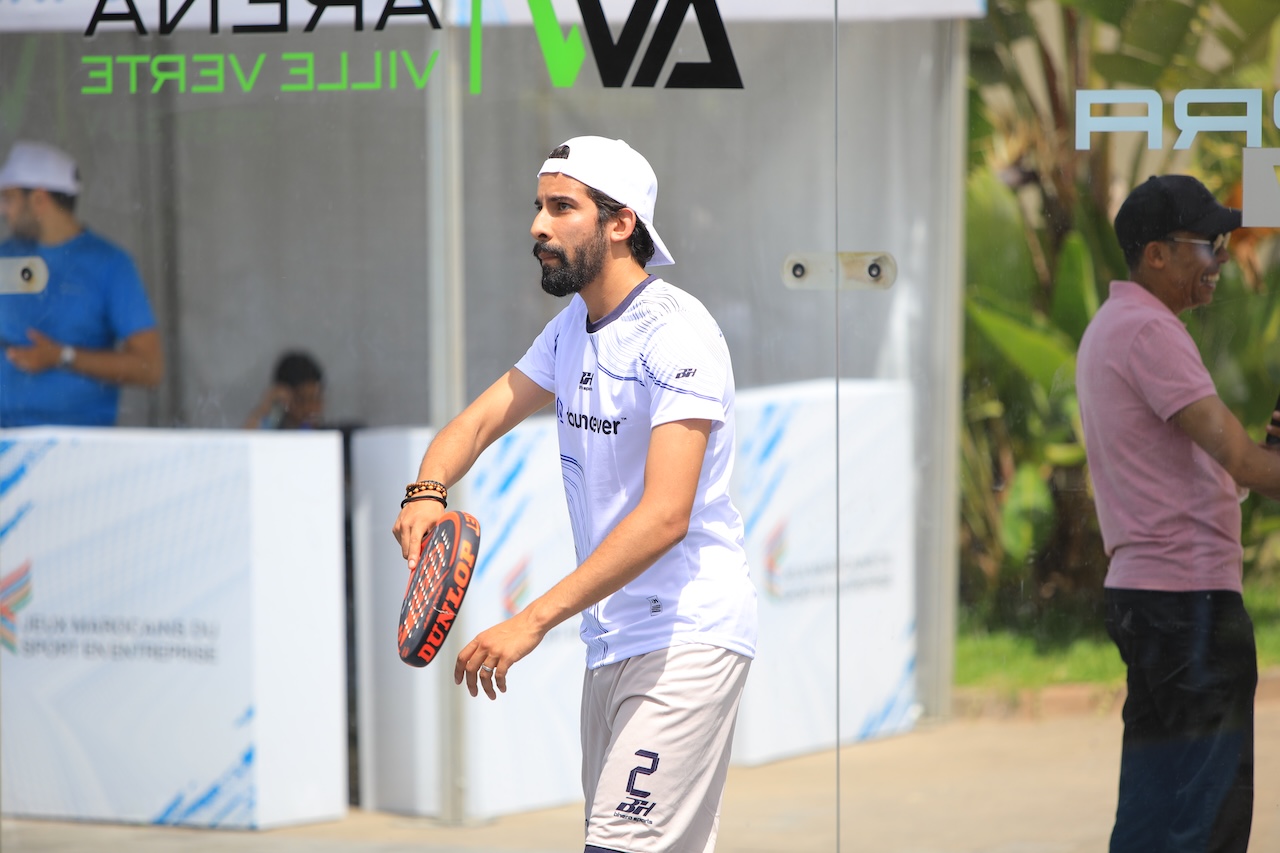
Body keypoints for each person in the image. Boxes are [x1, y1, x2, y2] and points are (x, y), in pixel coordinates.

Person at [392, 136, 756, 853]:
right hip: (610, 642)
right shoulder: (569, 331)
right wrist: (427, 491)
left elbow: (666, 517)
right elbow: (477, 422)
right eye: (538, 207)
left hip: (687, 634)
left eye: (562, 207)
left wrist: (531, 621)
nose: (538, 226)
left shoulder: (677, 335)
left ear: (621, 223)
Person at [1077, 174, 1280, 853]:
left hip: (1150, 599)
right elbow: (1242, 463)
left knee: (1153, 814)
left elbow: (1205, 468)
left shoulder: (1113, 327)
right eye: (1207, 244)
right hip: (1189, 605)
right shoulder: (1149, 332)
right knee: (1208, 819)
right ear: (1157, 254)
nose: (1220, 259)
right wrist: (1265, 463)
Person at [0, 140, 163, 426]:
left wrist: (62, 356)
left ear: (39, 199)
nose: (3, 210)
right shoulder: (6, 257)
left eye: (8, 199)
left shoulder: (111, 265)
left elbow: (149, 368)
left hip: (80, 444)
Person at [242, 350, 326, 429]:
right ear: (284, 398)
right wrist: (265, 407)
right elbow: (246, 438)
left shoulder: (328, 434)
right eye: (302, 400)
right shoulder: (272, 433)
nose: (311, 408)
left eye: (316, 399)